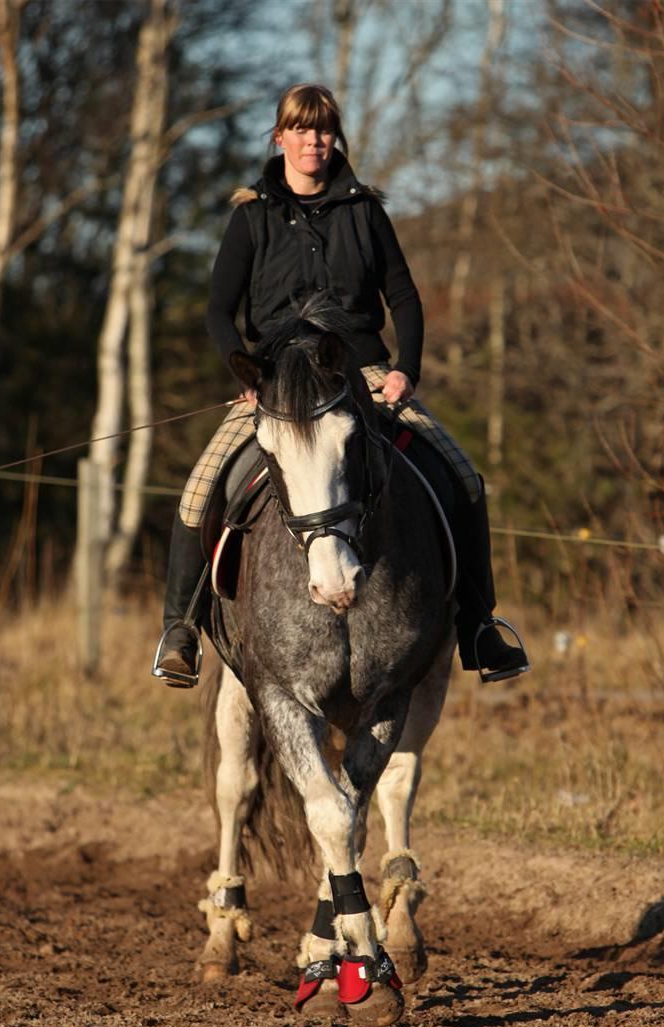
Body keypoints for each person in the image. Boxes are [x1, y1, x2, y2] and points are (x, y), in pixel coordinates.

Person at [153, 83, 529, 687]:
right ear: (280, 138)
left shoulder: (366, 211)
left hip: (364, 372)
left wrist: (407, 367)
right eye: (301, 130)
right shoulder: (250, 216)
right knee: (199, 490)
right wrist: (244, 373)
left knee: (462, 476)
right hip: (276, 382)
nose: (313, 141)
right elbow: (219, 312)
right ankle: (181, 630)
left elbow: (402, 295)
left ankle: (480, 626)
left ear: (336, 139)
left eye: (323, 130)